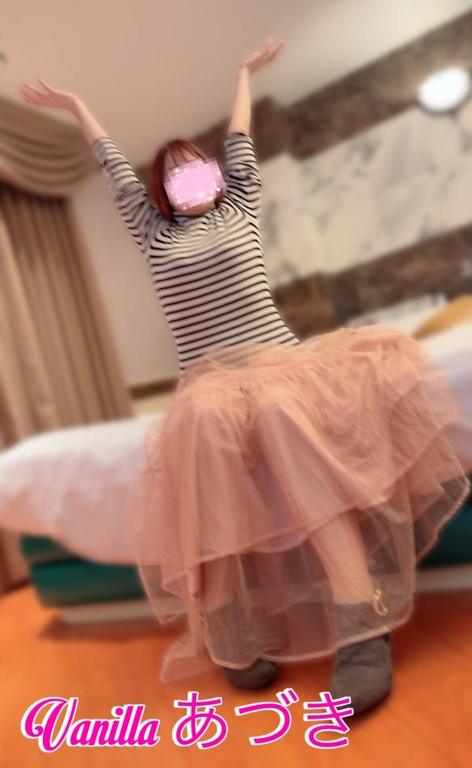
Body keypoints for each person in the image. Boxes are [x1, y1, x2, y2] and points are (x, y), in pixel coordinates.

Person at [20, 37, 471, 715]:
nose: (189, 177)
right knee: (202, 434)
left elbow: (240, 140)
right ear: (161, 192)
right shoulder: (153, 234)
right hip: (207, 380)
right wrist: (78, 107)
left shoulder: (240, 208)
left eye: (197, 167)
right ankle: (228, 628)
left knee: (288, 420)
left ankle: (362, 624)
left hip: (278, 364)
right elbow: (114, 169)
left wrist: (241, 75)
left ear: (217, 178)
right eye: (174, 174)